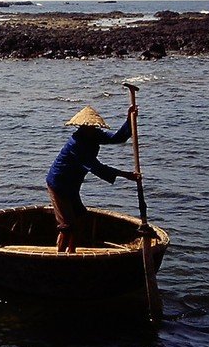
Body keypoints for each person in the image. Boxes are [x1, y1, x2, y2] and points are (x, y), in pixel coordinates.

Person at [46, 105, 141, 253]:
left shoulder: (95, 135)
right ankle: (60, 255)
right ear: (81, 127)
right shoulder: (76, 144)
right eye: (87, 127)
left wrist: (130, 118)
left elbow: (118, 137)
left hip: (71, 185)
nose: (91, 129)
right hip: (59, 184)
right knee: (67, 225)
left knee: (81, 217)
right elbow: (97, 168)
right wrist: (125, 174)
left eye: (92, 127)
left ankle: (71, 251)